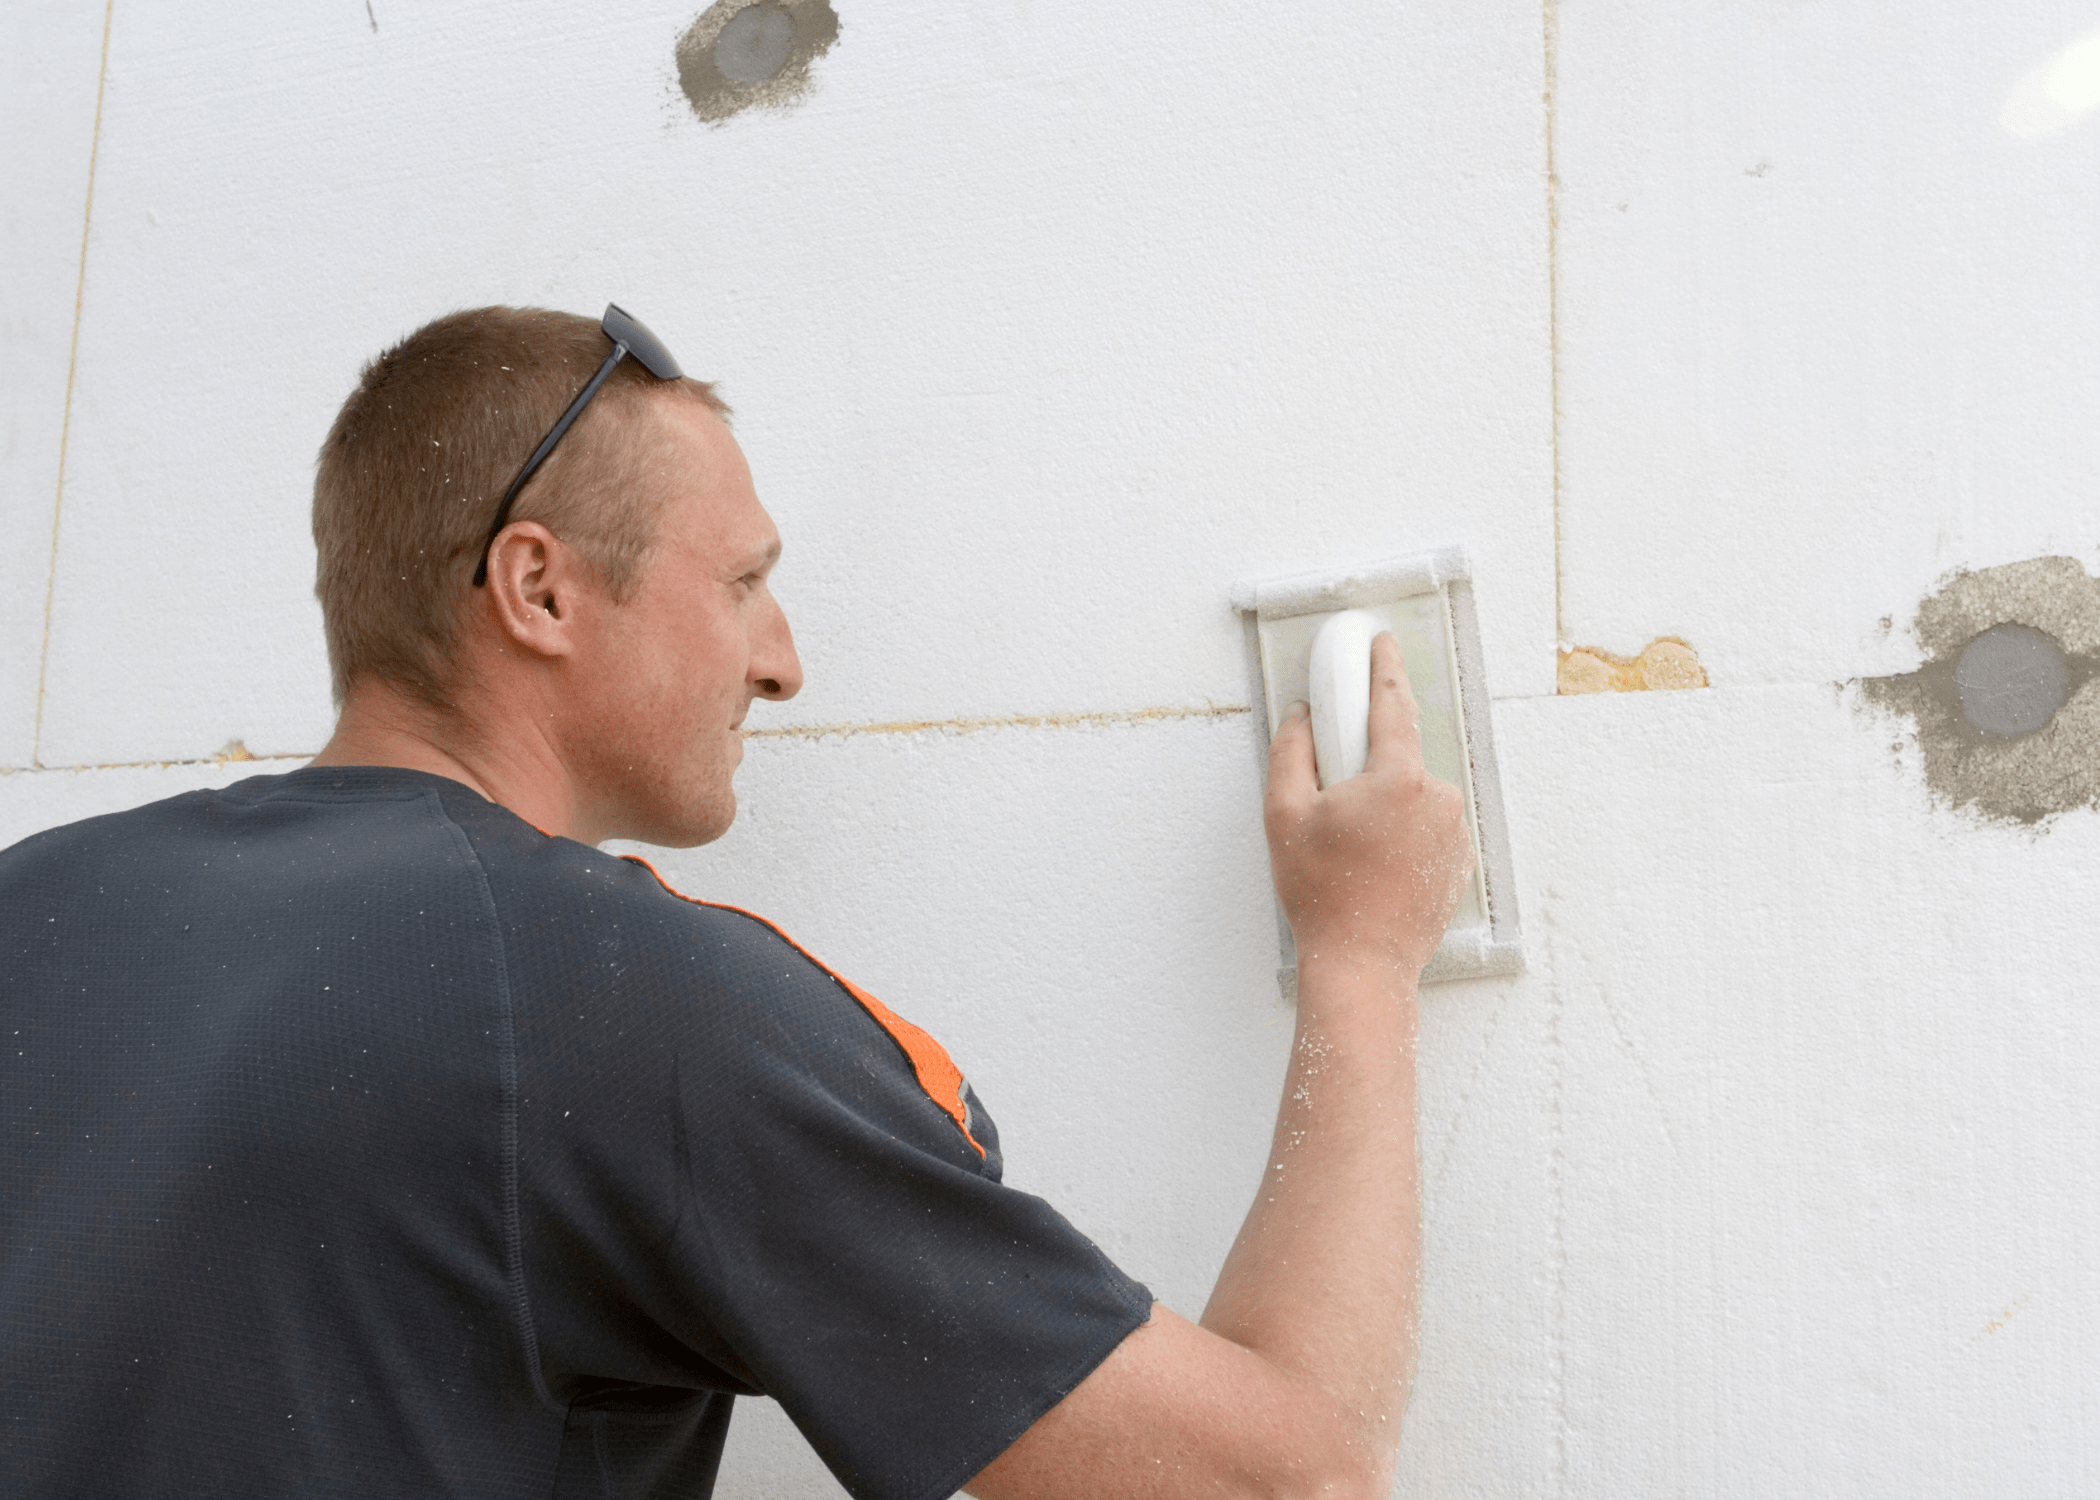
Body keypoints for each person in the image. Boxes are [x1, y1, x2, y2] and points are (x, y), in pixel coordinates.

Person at [0, 305, 1473, 1499]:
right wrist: (1359, 950)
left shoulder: (31, 910)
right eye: (746, 582)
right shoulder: (622, 993)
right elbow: (1283, 1486)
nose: (782, 662)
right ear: (540, 590)